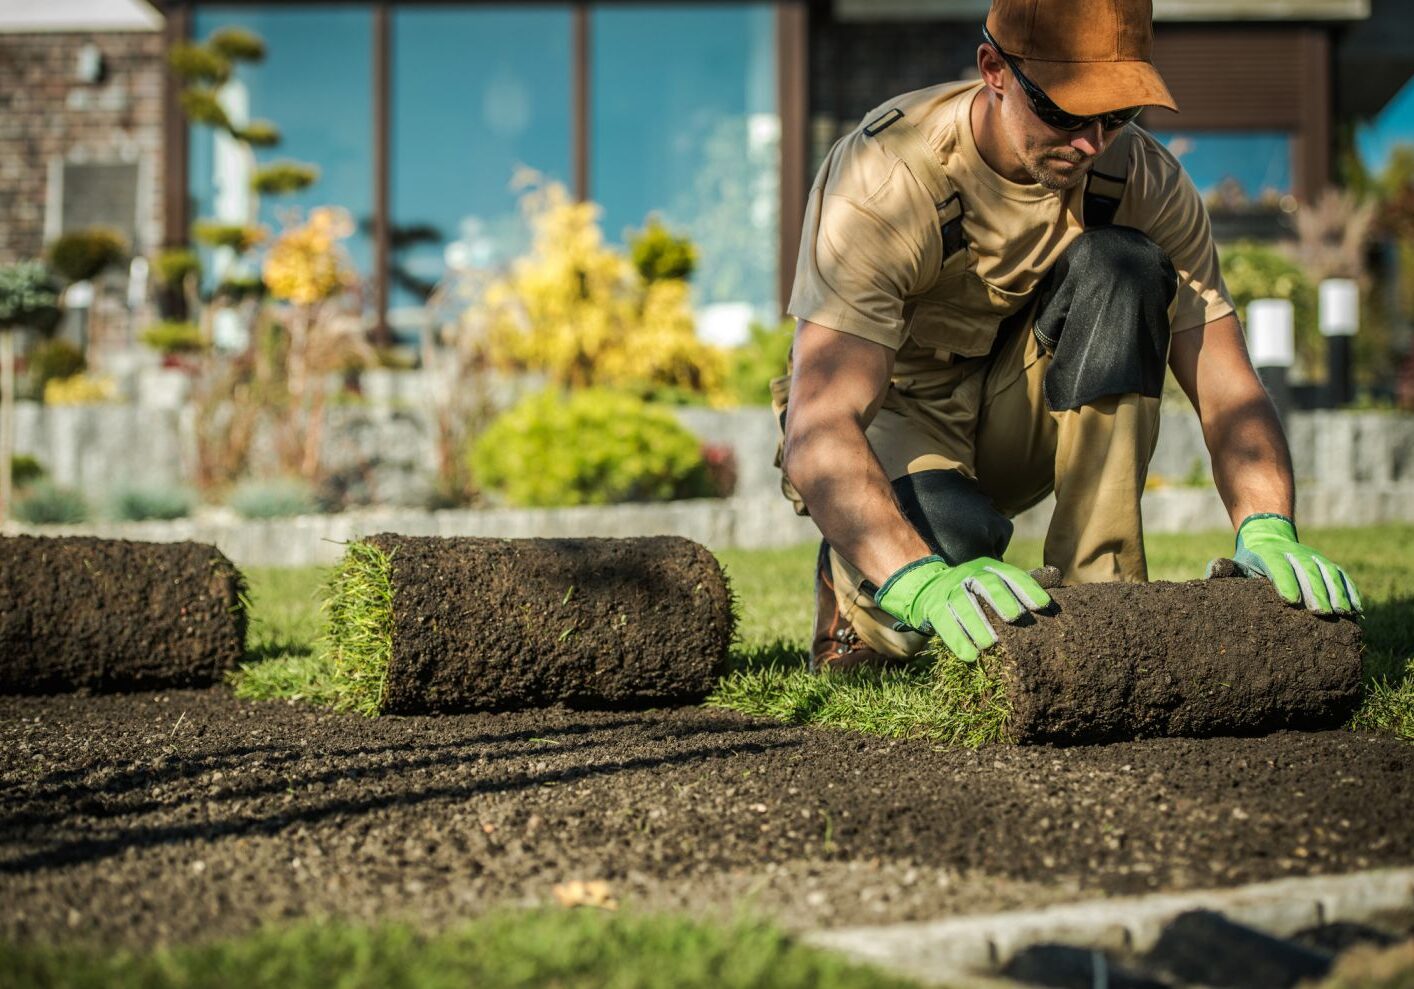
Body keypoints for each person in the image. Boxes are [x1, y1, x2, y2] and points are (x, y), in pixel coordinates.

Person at [775, 0, 1362, 671]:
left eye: (1118, 115)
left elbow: (1228, 386)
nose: (1092, 142)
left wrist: (1267, 525)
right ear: (994, 69)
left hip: (1011, 415)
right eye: (1064, 111)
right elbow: (820, 428)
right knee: (953, 544)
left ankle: (1102, 602)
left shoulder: (1143, 181)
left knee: (1124, 266)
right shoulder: (885, 176)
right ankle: (854, 602)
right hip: (895, 422)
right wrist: (915, 577)